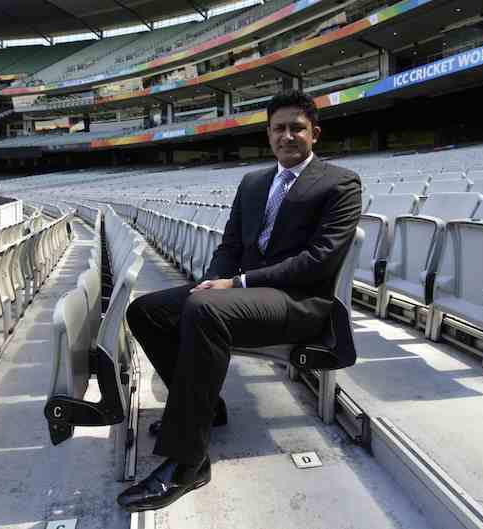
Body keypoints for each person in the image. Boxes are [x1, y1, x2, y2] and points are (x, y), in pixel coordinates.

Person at [117, 90, 362, 512]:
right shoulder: (253, 183)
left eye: (297, 128)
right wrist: (215, 280)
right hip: (246, 294)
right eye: (279, 129)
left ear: (315, 134)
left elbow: (318, 260)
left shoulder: (340, 183)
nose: (288, 136)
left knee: (205, 308)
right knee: (146, 311)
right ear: (268, 134)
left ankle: (188, 461)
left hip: (299, 302)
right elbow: (230, 245)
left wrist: (239, 282)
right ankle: (206, 409)